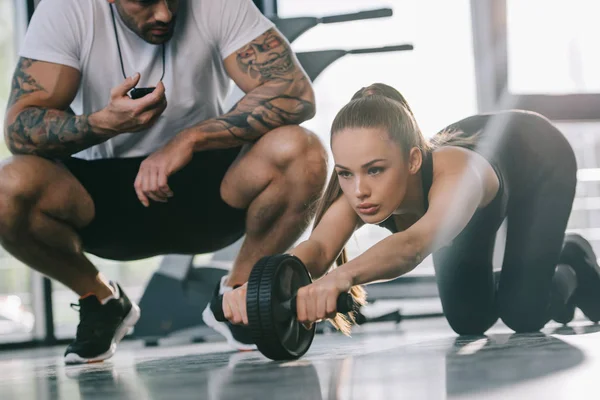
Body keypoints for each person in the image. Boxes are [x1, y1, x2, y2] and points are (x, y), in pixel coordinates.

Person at [1, 0, 327, 364]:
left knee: (304, 152)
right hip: (103, 202)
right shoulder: (66, 9)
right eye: (144, 1)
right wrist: (103, 123)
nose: (164, 14)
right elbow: (18, 129)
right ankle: (102, 301)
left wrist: (188, 140)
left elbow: (296, 92)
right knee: (5, 188)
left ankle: (238, 295)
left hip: (209, 191)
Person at [222, 83, 600, 336]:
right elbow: (319, 250)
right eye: (346, 174)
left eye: (375, 169)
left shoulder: (457, 177)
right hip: (465, 210)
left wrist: (340, 279)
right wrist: (259, 286)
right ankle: (531, 275)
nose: (360, 190)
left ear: (413, 160)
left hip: (538, 158)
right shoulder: (361, 189)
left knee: (524, 313)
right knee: (469, 320)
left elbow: (414, 244)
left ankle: (571, 258)